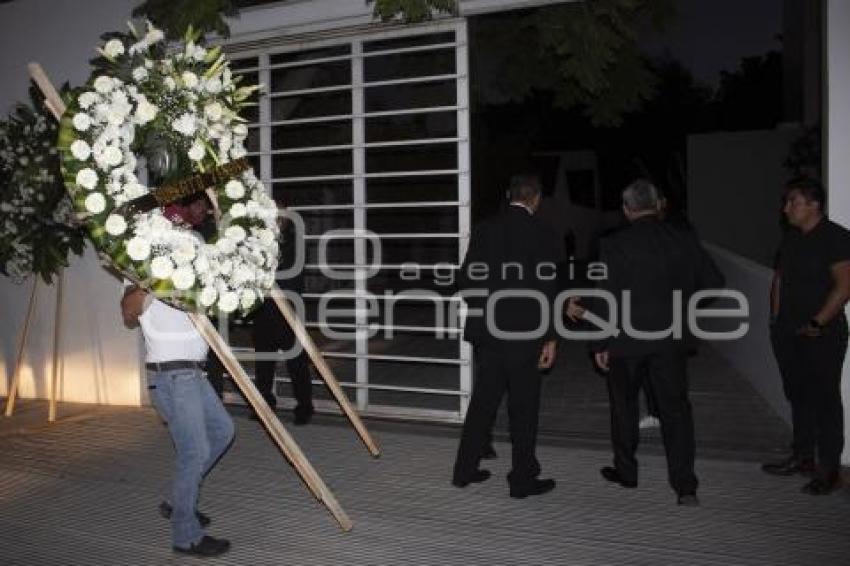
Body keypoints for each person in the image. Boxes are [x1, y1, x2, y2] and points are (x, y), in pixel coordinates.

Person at [590, 179, 723, 506]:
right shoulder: (684, 238)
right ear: (657, 204)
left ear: (626, 209)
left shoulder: (614, 244)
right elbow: (714, 282)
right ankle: (685, 485)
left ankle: (627, 472)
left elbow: (605, 298)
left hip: (626, 340)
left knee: (624, 407)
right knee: (676, 411)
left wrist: (599, 343)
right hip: (670, 340)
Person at [452, 174, 561, 499]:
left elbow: (466, 281)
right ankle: (522, 481)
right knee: (523, 410)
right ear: (536, 199)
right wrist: (551, 337)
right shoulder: (545, 233)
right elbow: (551, 290)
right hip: (527, 336)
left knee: (482, 404)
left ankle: (464, 472)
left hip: (489, 333)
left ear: (508, 195)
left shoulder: (485, 229)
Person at [121, 285, 234, 557]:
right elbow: (128, 314)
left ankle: (177, 502)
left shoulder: (189, 276)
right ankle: (186, 537)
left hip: (194, 374)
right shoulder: (143, 278)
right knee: (194, 453)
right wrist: (149, 289)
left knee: (223, 431)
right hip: (173, 377)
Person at [762, 177, 850, 495]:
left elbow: (845, 285)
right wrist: (775, 319)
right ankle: (802, 457)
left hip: (821, 333)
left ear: (814, 205)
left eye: (793, 202)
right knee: (798, 395)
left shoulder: (835, 238)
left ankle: (829, 471)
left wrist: (817, 323)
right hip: (786, 330)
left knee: (825, 400)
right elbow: (779, 279)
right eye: (786, 202)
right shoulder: (791, 239)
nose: (786, 209)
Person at [251, 210, 315, 424]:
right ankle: (265, 405)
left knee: (297, 362)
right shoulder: (258, 242)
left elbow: (291, 273)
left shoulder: (297, 242)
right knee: (264, 363)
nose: (276, 220)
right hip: (264, 311)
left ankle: (304, 406)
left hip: (290, 309)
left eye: (281, 215)